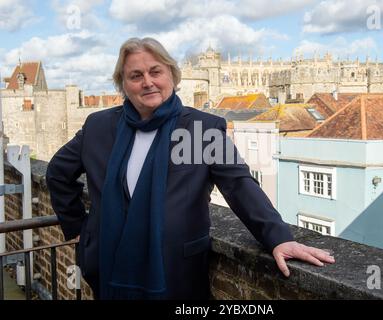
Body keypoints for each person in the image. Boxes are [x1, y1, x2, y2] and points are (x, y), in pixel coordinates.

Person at [46, 37, 335, 300]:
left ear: (172, 75)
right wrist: (78, 228)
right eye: (136, 76)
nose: (147, 82)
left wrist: (278, 238)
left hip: (176, 271)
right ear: (123, 83)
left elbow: (238, 184)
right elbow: (58, 172)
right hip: (107, 266)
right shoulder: (99, 125)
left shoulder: (201, 128)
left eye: (155, 72)